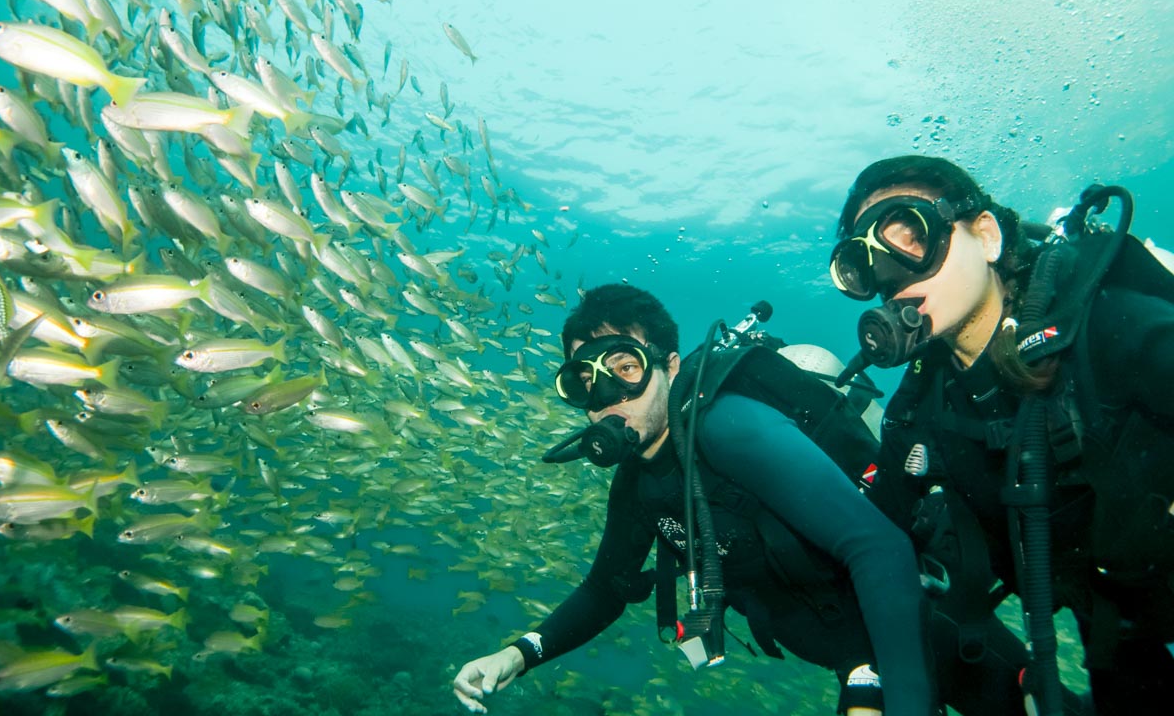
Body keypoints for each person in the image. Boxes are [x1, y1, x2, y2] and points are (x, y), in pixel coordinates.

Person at [453, 284, 936, 715]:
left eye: (626, 368)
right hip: (853, 654)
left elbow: (878, 547)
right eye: (586, 382)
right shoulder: (638, 482)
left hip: (920, 621)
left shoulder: (727, 428)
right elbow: (605, 590)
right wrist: (515, 655)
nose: (608, 397)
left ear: (670, 366)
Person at [828, 155, 1174, 716]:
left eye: (909, 235)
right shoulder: (919, 413)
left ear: (986, 236)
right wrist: (865, 679)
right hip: (1112, 621)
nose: (893, 279)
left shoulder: (1104, 326)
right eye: (866, 265)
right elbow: (879, 556)